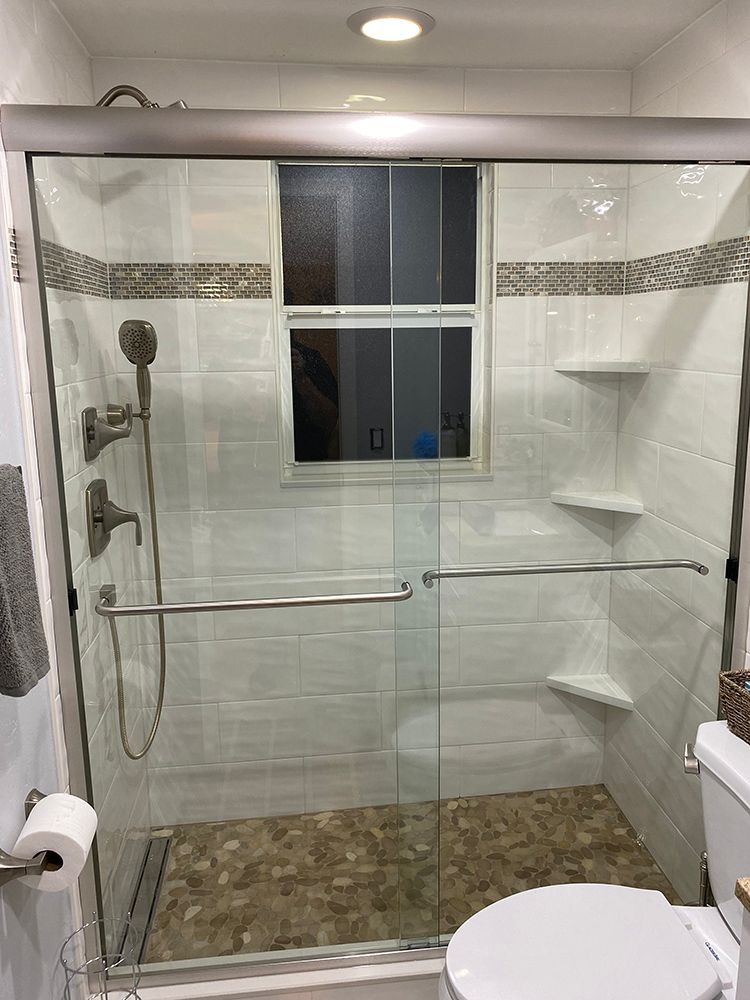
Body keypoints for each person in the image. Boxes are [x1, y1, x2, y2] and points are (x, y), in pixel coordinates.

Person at [290, 334, 339, 461]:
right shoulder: (256, 361)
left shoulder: (310, 359)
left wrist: (301, 378)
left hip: (311, 461)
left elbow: (330, 420)